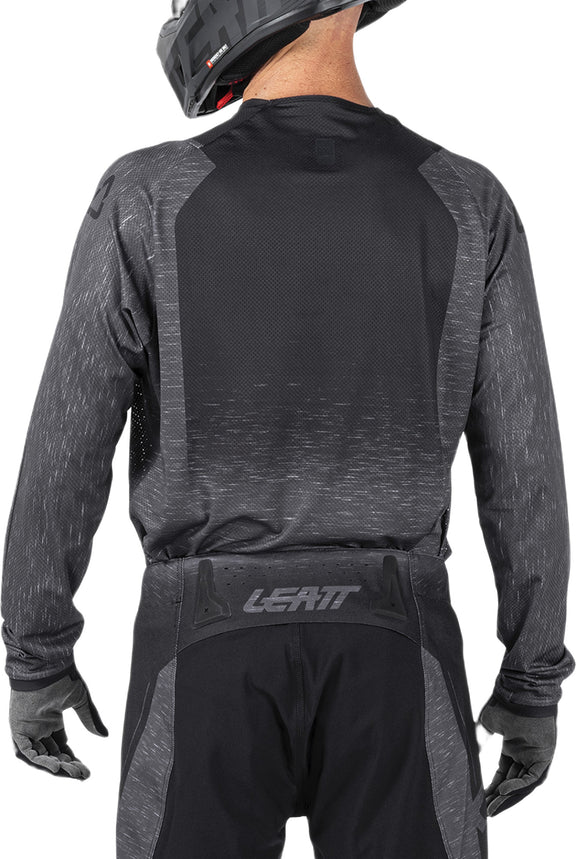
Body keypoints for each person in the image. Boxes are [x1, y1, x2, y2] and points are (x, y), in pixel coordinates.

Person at [2, 1, 574, 857]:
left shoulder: (147, 196)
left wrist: (38, 650)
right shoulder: (466, 201)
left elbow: (66, 443)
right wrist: (531, 680)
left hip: (201, 653)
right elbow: (523, 465)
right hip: (399, 650)